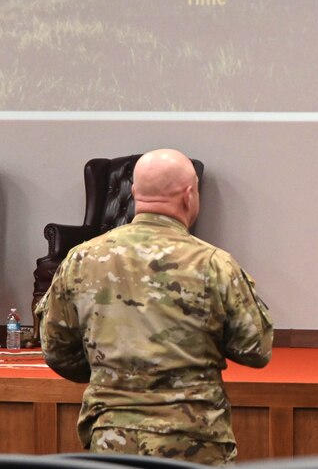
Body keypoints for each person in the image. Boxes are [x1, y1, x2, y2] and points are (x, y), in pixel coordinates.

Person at [35, 148, 273, 466]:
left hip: (111, 436)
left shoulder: (81, 259)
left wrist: (109, 374)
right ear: (190, 195)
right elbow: (256, 348)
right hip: (192, 441)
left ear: (134, 193)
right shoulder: (213, 264)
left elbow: (55, 348)